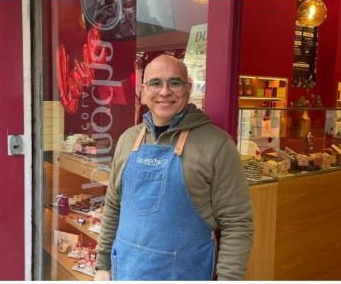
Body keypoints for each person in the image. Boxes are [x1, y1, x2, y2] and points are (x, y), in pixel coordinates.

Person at [94, 54, 253, 281]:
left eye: (174, 82)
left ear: (188, 87)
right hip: (125, 272)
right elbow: (113, 206)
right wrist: (102, 265)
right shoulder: (128, 139)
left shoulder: (217, 145)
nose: (165, 91)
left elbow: (237, 223)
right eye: (155, 83)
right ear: (143, 90)